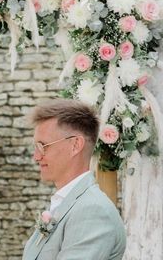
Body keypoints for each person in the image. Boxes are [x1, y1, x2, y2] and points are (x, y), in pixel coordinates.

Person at [22, 100, 126, 260]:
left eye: (43, 146)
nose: (36, 157)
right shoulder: (69, 204)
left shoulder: (93, 211)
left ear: (75, 145)